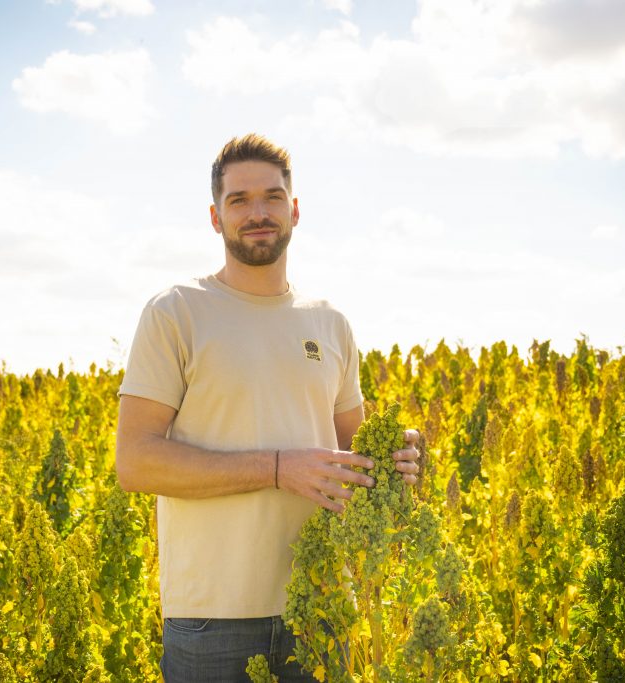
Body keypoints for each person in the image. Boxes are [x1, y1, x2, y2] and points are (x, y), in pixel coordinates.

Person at [115, 133, 420, 682]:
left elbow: (354, 456)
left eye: (272, 197)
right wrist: (277, 469)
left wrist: (397, 461)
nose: (258, 213)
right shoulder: (176, 313)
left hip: (324, 606)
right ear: (215, 217)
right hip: (211, 619)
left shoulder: (330, 323)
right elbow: (136, 463)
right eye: (239, 200)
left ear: (295, 210)